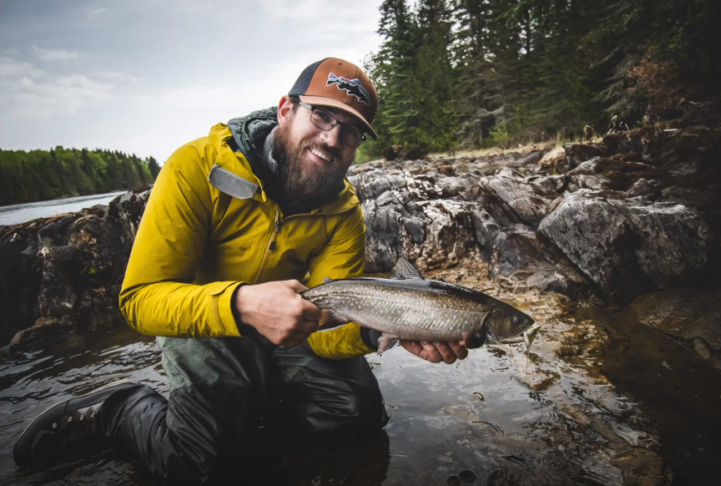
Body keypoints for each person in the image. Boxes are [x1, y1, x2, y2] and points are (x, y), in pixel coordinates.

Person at [13, 58, 468, 484]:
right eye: (322, 118)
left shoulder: (343, 212)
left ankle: (255, 398)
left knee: (354, 415)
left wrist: (382, 330)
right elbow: (140, 298)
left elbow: (330, 327)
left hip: (292, 331)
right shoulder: (194, 168)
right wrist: (240, 304)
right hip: (201, 322)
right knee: (200, 466)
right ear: (286, 109)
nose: (332, 139)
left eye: (350, 132)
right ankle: (118, 409)